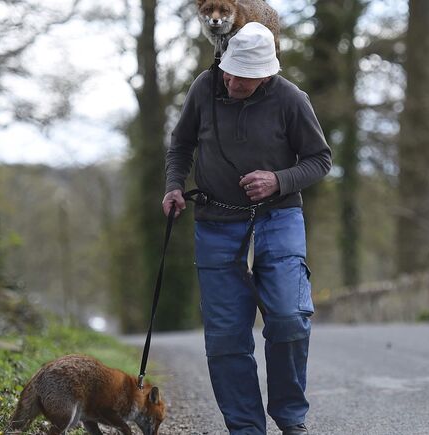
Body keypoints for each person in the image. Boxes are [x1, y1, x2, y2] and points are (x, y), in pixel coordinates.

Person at [162, 22, 331, 435]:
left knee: (290, 317)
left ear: (267, 75)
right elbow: (182, 144)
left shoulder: (291, 99)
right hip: (217, 223)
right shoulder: (205, 87)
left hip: (278, 218)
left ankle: (291, 418)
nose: (233, 81)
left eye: (246, 77)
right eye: (230, 71)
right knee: (225, 337)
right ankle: (245, 428)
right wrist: (174, 186)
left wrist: (278, 179)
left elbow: (319, 159)